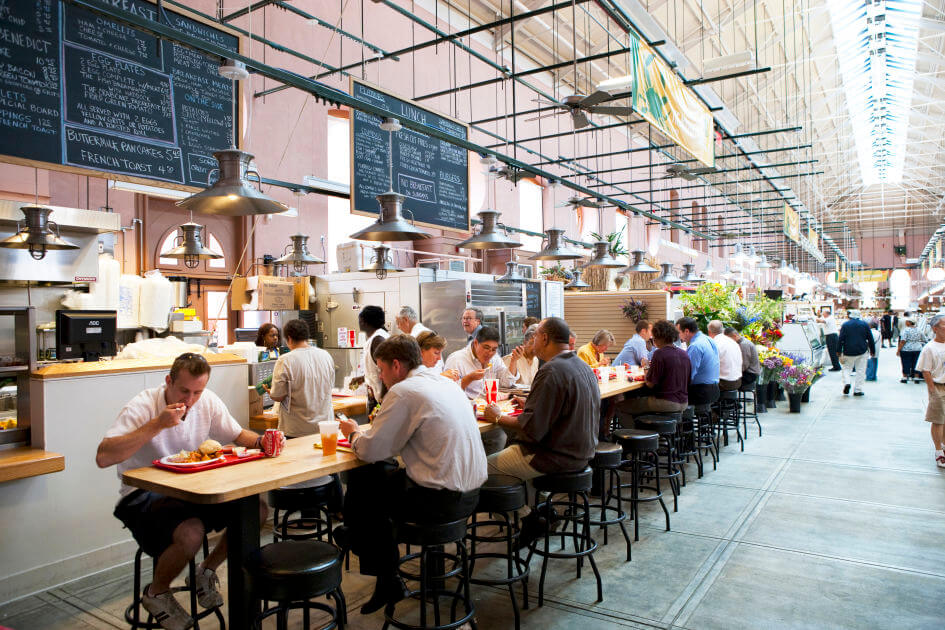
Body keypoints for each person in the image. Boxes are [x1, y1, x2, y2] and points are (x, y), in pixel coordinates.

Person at [96, 353, 268, 630]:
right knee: (191, 532)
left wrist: (263, 441)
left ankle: (205, 572)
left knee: (255, 510)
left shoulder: (207, 401)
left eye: (197, 391)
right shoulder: (143, 405)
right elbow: (103, 457)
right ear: (168, 382)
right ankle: (156, 593)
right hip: (141, 495)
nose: (190, 400)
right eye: (184, 391)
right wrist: (157, 424)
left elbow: (236, 434)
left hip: (191, 489)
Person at [338, 335, 487, 613]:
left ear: (396, 365)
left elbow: (371, 450)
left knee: (363, 486)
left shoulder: (404, 391)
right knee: (376, 485)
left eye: (381, 369)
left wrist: (354, 433)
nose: (380, 376)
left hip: (439, 502)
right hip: (472, 496)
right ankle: (373, 557)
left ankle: (363, 547)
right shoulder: (446, 383)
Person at [482, 317, 599, 544]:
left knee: (480, 470)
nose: (532, 341)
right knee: (507, 458)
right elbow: (559, 411)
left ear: (544, 338)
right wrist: (532, 408)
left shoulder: (552, 370)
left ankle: (528, 518)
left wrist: (496, 416)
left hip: (552, 456)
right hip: (582, 453)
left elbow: (533, 429)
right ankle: (544, 509)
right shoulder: (582, 366)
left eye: (535, 336)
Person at [268, 319, 335, 438]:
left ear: (289, 338)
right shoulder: (325, 355)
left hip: (297, 429)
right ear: (306, 336)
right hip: (325, 427)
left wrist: (270, 392)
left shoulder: (285, 360)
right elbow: (329, 386)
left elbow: (277, 396)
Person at [616, 319, 690, 420]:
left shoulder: (660, 353)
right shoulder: (684, 353)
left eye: (654, 339)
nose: (653, 341)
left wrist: (646, 366)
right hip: (684, 402)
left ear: (659, 338)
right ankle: (649, 429)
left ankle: (638, 432)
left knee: (620, 406)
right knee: (639, 402)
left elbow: (650, 384)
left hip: (666, 402)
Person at [444, 326, 518, 399]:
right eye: (486, 348)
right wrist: (469, 378)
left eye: (494, 349)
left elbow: (507, 383)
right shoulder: (456, 359)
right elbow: (449, 391)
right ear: (476, 343)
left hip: (491, 405)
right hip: (468, 406)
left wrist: (513, 361)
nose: (490, 353)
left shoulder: (495, 358)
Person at [916, 314, 945, 468]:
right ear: (935, 329)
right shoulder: (930, 348)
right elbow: (925, 370)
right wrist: (932, 390)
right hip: (938, 386)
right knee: (938, 419)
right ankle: (939, 451)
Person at [676, 317, 720, 405]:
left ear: (687, 331)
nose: (678, 336)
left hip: (701, 392)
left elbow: (687, 375)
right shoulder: (709, 339)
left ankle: (677, 418)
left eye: (679, 332)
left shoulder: (695, 346)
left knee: (668, 396)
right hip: (714, 389)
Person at [837, 309, 876, 397]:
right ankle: (858, 390)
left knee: (846, 368)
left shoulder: (845, 325)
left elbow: (840, 339)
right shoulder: (864, 324)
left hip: (848, 351)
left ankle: (847, 382)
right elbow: (870, 338)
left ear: (850, 316)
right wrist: (873, 351)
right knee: (860, 370)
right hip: (862, 351)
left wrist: (838, 350)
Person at [359, 305, 389, 409]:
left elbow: (387, 370)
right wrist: (362, 378)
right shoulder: (374, 337)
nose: (359, 323)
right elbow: (375, 369)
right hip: (376, 396)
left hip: (381, 399)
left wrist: (383, 401)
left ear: (366, 322)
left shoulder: (378, 339)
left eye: (361, 320)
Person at [707, 320, 742, 391]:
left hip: (724, 383)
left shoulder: (714, 343)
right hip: (738, 381)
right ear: (722, 330)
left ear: (709, 332)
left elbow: (709, 365)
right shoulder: (732, 341)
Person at [504, 323, 540, 387]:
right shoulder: (512, 359)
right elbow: (506, 385)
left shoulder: (535, 359)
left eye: (538, 344)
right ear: (525, 342)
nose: (536, 347)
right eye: (532, 343)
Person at [897, 318, 927, 383]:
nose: (905, 322)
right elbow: (924, 339)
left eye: (906, 321)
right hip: (917, 349)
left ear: (910, 322)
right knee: (916, 363)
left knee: (905, 363)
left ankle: (905, 377)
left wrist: (898, 350)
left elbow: (903, 341)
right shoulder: (919, 330)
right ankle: (916, 377)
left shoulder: (906, 330)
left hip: (906, 349)